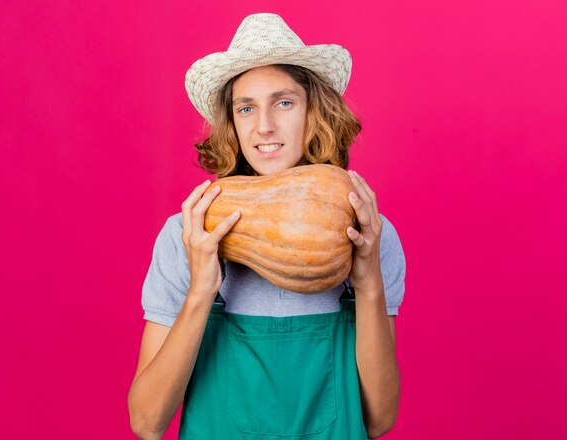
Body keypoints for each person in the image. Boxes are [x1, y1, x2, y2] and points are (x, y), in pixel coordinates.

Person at [128, 13, 406, 440]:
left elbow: (379, 419)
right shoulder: (188, 234)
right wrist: (203, 287)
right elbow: (147, 424)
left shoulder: (367, 232)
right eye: (246, 108)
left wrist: (367, 281)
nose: (264, 126)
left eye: (284, 102)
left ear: (314, 111)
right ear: (233, 125)